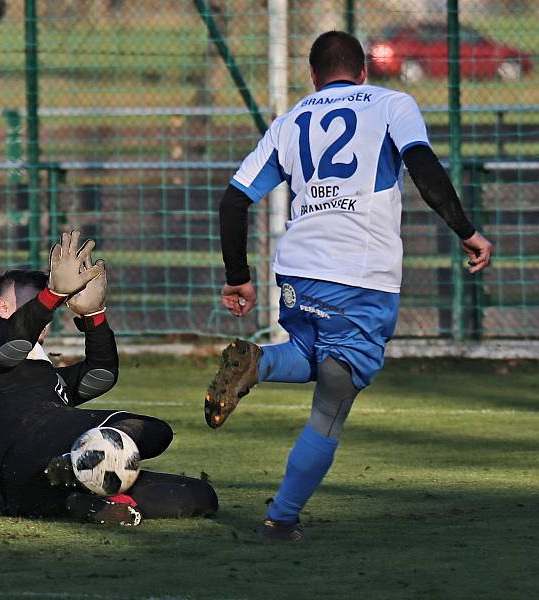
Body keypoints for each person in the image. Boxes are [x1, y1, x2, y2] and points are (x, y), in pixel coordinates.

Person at [205, 31, 492, 540]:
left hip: (297, 269)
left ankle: (261, 361)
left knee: (313, 352)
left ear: (313, 77)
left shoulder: (291, 119)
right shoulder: (391, 102)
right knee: (333, 398)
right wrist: (466, 231)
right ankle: (281, 518)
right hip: (359, 275)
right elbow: (423, 168)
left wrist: (238, 278)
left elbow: (233, 202)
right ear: (363, 71)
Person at [0, 230, 218, 525]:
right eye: (35, 302)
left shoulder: (47, 380)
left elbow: (101, 375)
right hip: (25, 455)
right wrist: (52, 295)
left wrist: (95, 316)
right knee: (149, 429)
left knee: (200, 496)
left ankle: (89, 501)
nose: (46, 313)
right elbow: (12, 343)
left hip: (29, 490)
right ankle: (77, 468)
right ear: (3, 307)